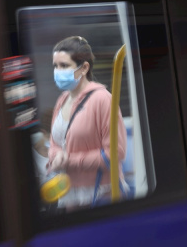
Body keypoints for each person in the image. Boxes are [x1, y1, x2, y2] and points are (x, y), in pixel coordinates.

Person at [46, 36, 127, 210]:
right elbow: (54, 144)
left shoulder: (103, 100)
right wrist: (55, 156)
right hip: (68, 191)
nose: (58, 71)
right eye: (55, 66)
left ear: (84, 68)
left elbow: (116, 153)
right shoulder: (62, 100)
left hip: (100, 191)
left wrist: (70, 160)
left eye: (64, 66)